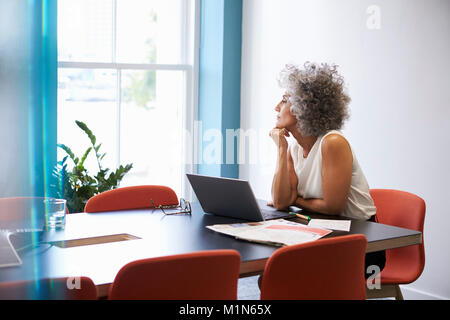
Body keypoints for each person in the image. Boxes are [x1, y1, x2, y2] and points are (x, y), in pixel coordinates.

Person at [269, 62, 385, 280]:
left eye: (284, 100)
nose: (277, 107)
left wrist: (297, 200)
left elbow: (332, 207)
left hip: (360, 245)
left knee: (284, 277)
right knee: (272, 276)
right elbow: (280, 201)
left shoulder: (333, 143)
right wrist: (281, 149)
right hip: (322, 235)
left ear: (306, 107)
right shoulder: (294, 147)